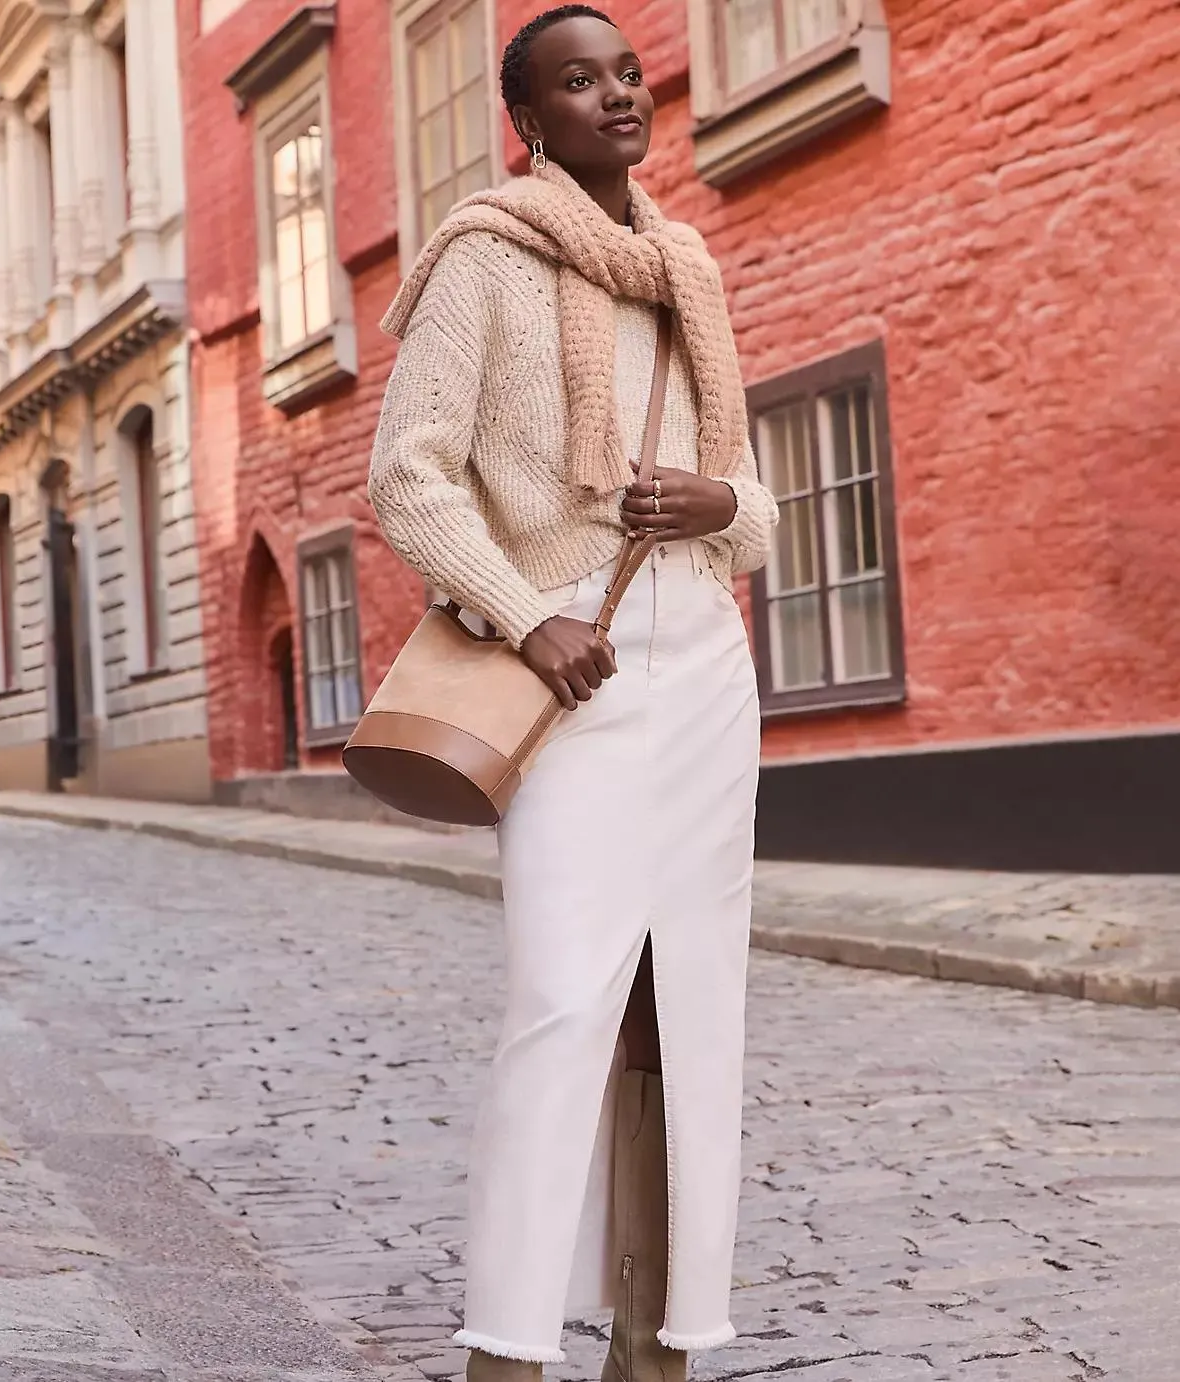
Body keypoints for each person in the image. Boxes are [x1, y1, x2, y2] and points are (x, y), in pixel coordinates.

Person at [369, 8, 779, 1378]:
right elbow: (409, 475)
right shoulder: (485, 258)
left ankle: (658, 1341)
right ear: (530, 120)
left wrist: (722, 496)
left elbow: (759, 511)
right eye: (578, 79)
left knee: (691, 1010)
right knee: (561, 997)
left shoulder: (689, 270)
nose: (618, 91)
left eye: (626, 71)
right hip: (573, 678)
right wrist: (526, 608)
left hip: (707, 670)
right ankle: (508, 1349)